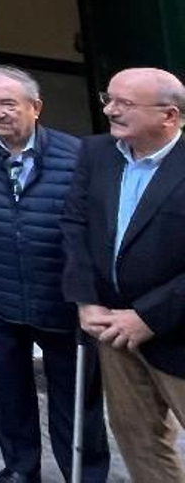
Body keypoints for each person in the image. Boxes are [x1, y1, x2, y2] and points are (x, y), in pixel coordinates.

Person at [0, 66, 109, 483]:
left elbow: (94, 228)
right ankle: (19, 468)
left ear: (35, 107)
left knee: (74, 393)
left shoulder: (77, 154)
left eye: (8, 103)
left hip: (61, 294)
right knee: (10, 387)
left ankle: (83, 472)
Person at [63, 67, 185, 483]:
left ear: (168, 116)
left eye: (124, 104)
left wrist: (147, 317)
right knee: (137, 437)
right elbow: (75, 226)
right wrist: (85, 300)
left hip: (176, 329)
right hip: (111, 326)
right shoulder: (95, 153)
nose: (110, 110)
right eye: (108, 98)